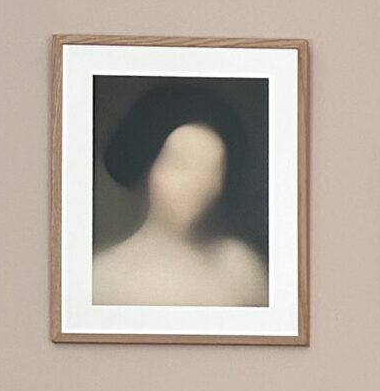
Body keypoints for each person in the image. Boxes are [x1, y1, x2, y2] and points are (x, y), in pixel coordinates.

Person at [92, 81, 269, 309]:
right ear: (148, 168)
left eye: (212, 169)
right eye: (181, 164)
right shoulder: (103, 280)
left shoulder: (243, 269)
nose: (197, 184)